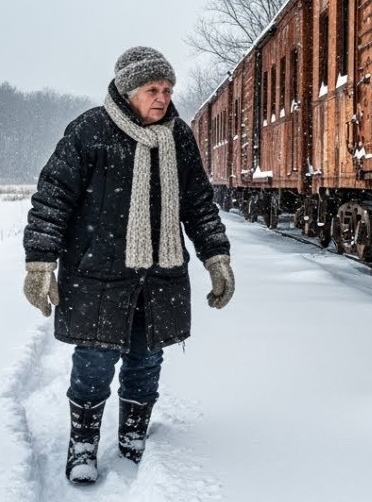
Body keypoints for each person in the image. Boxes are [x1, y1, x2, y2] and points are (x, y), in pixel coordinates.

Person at [21, 46, 234, 484]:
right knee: (95, 361)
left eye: (168, 89)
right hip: (98, 273)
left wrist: (216, 257)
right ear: (128, 90)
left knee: (146, 359)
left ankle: (134, 433)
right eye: (153, 89)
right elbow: (52, 198)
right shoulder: (89, 131)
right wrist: (40, 262)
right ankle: (83, 442)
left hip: (160, 275)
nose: (163, 98)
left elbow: (198, 204)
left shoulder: (178, 137)